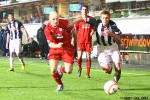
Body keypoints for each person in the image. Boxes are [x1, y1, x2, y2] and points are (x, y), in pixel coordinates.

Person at [84, 10, 122, 83]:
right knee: (106, 69)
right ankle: (109, 67)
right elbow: (84, 18)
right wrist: (74, 22)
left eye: (107, 18)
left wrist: (110, 33)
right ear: (100, 18)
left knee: (118, 67)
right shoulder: (97, 22)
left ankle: (114, 83)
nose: (105, 20)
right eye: (103, 18)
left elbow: (118, 38)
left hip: (113, 47)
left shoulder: (113, 24)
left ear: (109, 18)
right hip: (102, 49)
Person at [44, 11, 75, 92]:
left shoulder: (64, 23)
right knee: (53, 70)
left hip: (66, 47)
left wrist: (74, 39)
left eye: (57, 19)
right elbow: (50, 44)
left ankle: (61, 69)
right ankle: (60, 84)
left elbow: (73, 28)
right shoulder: (47, 29)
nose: (55, 21)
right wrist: (57, 46)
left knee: (68, 71)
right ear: (49, 20)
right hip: (55, 48)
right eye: (53, 19)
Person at [74, 5, 95, 78]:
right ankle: (79, 68)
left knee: (88, 57)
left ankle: (87, 73)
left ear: (87, 11)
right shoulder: (78, 20)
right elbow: (75, 30)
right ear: (81, 11)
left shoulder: (91, 19)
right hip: (80, 41)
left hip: (88, 41)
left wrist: (93, 31)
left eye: (86, 9)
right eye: (83, 9)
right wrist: (74, 39)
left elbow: (94, 27)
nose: (84, 11)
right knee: (79, 57)